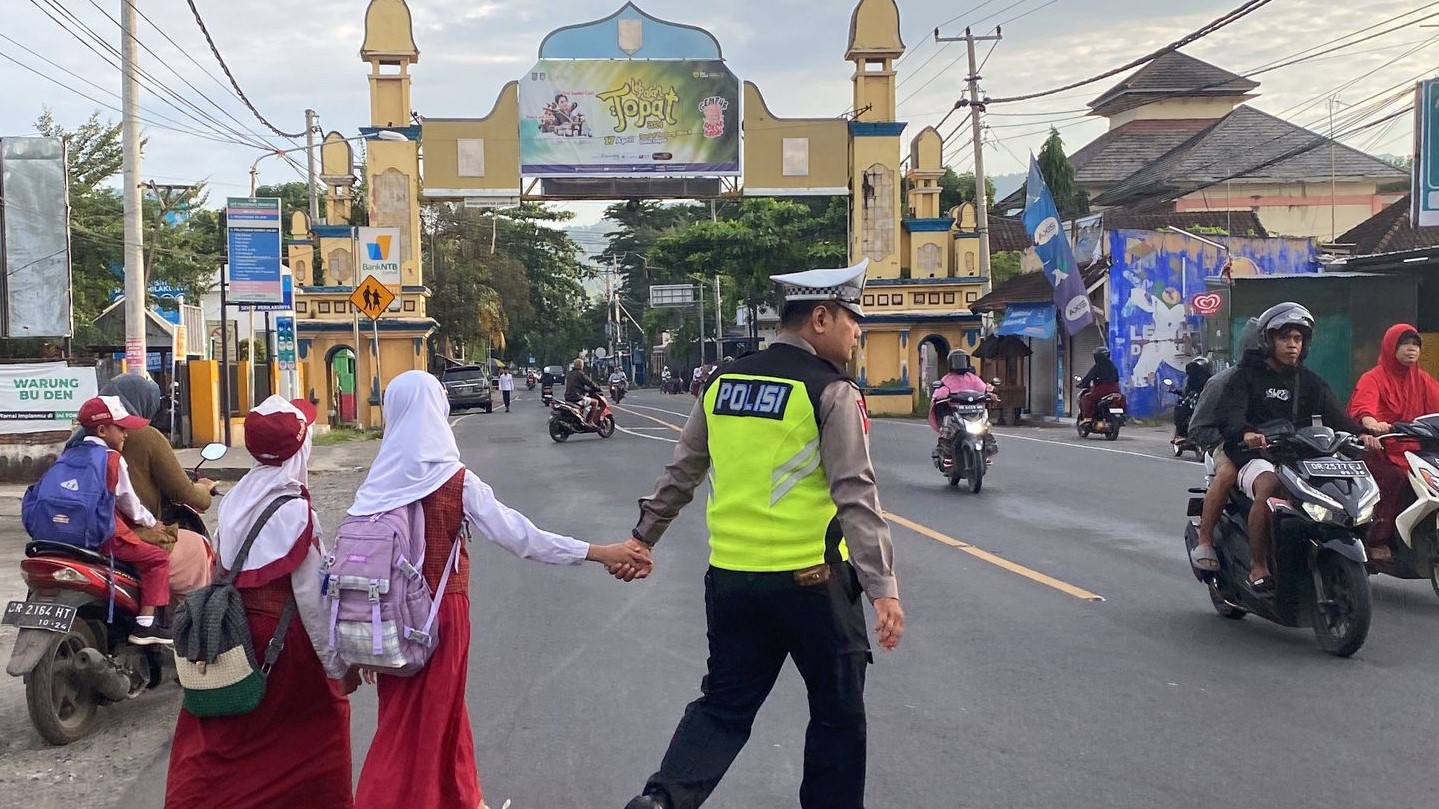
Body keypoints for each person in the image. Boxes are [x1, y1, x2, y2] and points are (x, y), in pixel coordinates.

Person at [617, 258, 903, 809]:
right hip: (812, 586)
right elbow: (855, 494)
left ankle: (662, 802)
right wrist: (882, 586)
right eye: (851, 320)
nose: (857, 332)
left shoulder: (722, 381)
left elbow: (683, 473)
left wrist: (643, 536)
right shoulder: (832, 391)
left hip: (731, 583)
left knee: (723, 707)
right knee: (838, 717)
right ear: (820, 318)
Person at [350, 371, 649, 809]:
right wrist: (598, 551)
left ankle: (462, 798)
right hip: (441, 615)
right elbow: (521, 537)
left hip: (389, 617)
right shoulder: (455, 481)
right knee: (422, 721)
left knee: (428, 711)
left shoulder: (376, 485)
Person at [165, 396, 357, 809]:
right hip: (284, 645)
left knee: (225, 738)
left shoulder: (235, 500)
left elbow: (222, 565)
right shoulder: (296, 511)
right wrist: (336, 664)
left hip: (232, 636)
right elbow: (311, 598)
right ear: (301, 448)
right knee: (321, 728)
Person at [1206, 303, 1378, 589]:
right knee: (1269, 485)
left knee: (1337, 485)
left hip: (1296, 454)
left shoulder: (1309, 381)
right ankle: (1258, 565)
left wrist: (1361, 434)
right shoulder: (1245, 377)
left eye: (1298, 339)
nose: (1292, 346)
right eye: (1285, 338)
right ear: (1268, 340)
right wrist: (1247, 431)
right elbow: (1230, 414)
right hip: (1254, 455)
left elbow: (1337, 417)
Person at [94, 374, 215, 598]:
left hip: (80, 536)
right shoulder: (145, 435)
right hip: (126, 534)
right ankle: (183, 623)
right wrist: (205, 491)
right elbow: (183, 491)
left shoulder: (83, 435)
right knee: (198, 547)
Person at [77, 396, 172, 645]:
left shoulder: (72, 454)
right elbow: (128, 502)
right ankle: (145, 625)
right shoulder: (112, 459)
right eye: (120, 428)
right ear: (101, 430)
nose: (125, 435)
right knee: (158, 559)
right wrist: (152, 522)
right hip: (105, 536)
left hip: (74, 536)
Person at [1348, 324, 1439, 560]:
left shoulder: (1422, 379)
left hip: (1416, 451)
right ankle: (1377, 538)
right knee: (1394, 479)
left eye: (1416, 345)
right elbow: (1362, 408)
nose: (1411, 350)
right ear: (1391, 347)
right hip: (1381, 449)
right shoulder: (1374, 378)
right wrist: (1372, 423)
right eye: (1405, 344)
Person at [1188, 319, 1260, 572]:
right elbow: (1197, 429)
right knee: (1229, 472)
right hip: (1227, 445)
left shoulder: (1289, 380)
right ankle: (1205, 539)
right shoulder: (1223, 382)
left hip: (1271, 447)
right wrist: (1230, 440)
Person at [927, 350, 998, 462]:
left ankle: (989, 441)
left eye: (962, 360)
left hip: (973, 412)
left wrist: (989, 394)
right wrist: (940, 396)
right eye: (956, 360)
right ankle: (943, 447)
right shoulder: (947, 379)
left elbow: (982, 389)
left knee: (985, 424)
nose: (960, 363)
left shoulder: (973, 378)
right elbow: (941, 391)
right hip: (955, 412)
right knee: (947, 424)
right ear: (950, 363)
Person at [1077, 346, 1121, 424]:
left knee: (1086, 399)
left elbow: (1088, 378)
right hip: (1115, 389)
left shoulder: (1097, 367)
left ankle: (1088, 418)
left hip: (1101, 391)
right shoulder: (1113, 366)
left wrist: (1082, 385)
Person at [565, 358, 602, 425]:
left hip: (568, 397)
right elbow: (590, 383)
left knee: (584, 403)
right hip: (577, 397)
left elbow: (576, 386)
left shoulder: (570, 374)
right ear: (581, 365)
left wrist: (586, 390)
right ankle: (590, 421)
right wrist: (598, 388)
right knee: (595, 402)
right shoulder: (580, 374)